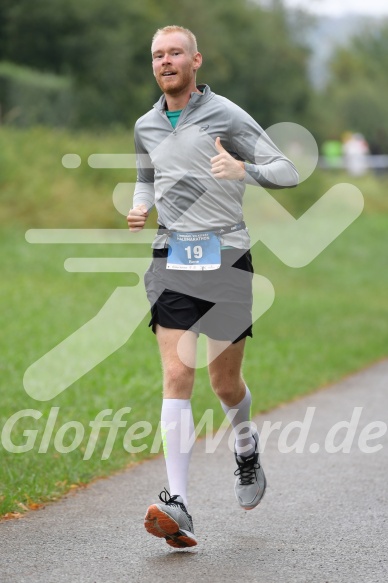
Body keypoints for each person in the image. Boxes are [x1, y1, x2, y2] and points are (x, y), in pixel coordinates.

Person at [127, 25, 298, 549]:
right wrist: (140, 204)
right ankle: (178, 503)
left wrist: (241, 168)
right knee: (177, 374)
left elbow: (287, 170)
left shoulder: (225, 114)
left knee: (225, 385)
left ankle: (245, 448)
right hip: (171, 257)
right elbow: (145, 176)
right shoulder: (146, 125)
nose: (166, 61)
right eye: (158, 55)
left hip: (226, 257)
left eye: (175, 52)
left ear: (196, 60)